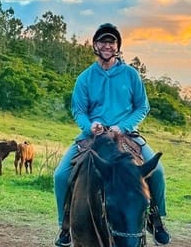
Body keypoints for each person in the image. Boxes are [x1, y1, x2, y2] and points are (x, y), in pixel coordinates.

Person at [52, 23, 170, 246]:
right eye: (103, 41)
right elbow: (78, 110)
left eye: (112, 42)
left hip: (126, 135)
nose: (107, 45)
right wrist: (90, 126)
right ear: (95, 45)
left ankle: (156, 220)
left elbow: (142, 107)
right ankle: (65, 224)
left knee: (158, 172)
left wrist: (123, 126)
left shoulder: (131, 75)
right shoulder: (85, 78)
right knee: (60, 175)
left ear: (117, 46)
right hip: (93, 137)